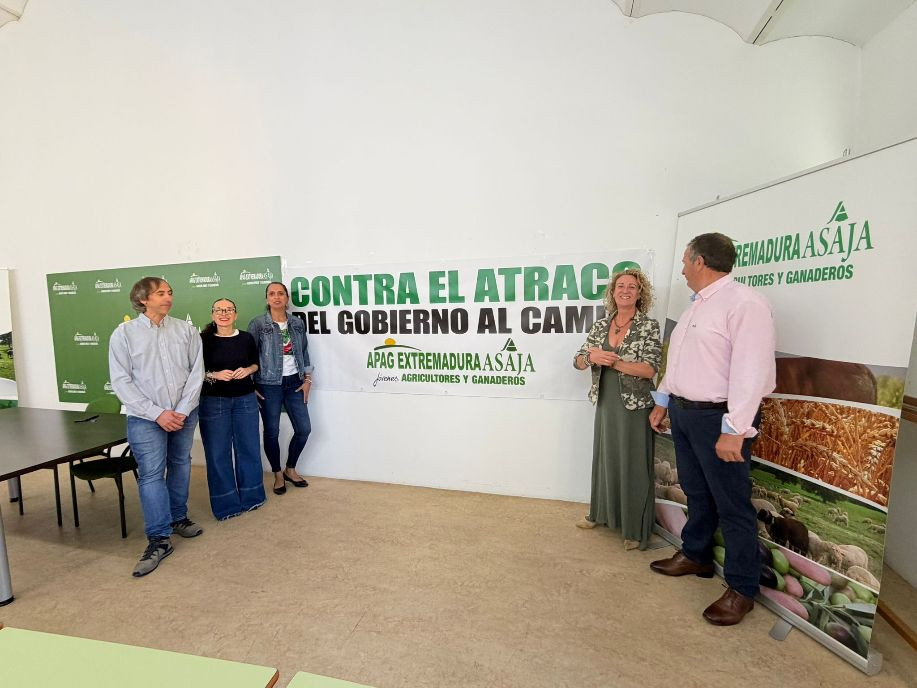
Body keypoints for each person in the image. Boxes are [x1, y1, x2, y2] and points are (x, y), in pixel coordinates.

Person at [648, 232, 776, 626]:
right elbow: (680, 362)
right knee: (696, 491)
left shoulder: (744, 305)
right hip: (686, 414)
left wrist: (735, 428)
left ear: (700, 261)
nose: (683, 268)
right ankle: (696, 555)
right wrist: (663, 400)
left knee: (733, 504)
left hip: (718, 418)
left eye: (685, 260)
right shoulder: (694, 309)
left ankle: (741, 588)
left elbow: (751, 372)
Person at [109, 277, 204, 577]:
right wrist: (157, 414)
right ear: (143, 299)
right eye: (161, 293)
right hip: (144, 419)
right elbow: (121, 381)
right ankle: (159, 539)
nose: (168, 297)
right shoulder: (124, 334)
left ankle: (178, 518)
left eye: (170, 292)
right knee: (151, 475)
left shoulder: (186, 330)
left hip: (183, 414)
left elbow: (196, 373)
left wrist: (181, 411)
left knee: (180, 464)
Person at [574, 269, 661, 550]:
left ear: (640, 293)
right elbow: (577, 361)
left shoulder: (649, 326)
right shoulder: (601, 325)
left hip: (635, 406)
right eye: (620, 286)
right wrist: (591, 356)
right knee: (605, 458)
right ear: (612, 292)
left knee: (633, 465)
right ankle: (599, 514)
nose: (625, 290)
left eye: (632, 287)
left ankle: (634, 529)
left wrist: (614, 362)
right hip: (606, 401)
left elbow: (650, 369)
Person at [199, 298, 267, 520]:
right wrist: (213, 375)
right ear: (212, 314)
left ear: (236, 315)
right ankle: (226, 505)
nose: (224, 313)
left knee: (248, 448)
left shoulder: (246, 338)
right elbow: (193, 371)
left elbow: (256, 363)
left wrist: (248, 370)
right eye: (219, 309)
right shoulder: (203, 340)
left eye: (229, 310)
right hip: (213, 401)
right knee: (218, 453)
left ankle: (252, 497)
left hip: (245, 400)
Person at [248, 282, 314, 495]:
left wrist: (307, 379)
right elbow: (249, 356)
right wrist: (251, 384)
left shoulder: (296, 323)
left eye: (281, 293)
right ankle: (277, 474)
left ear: (287, 298)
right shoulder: (258, 324)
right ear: (266, 298)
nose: (276, 297)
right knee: (272, 432)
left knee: (304, 429)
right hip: (268, 385)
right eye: (272, 294)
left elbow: (304, 351)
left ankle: (290, 469)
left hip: (295, 383)